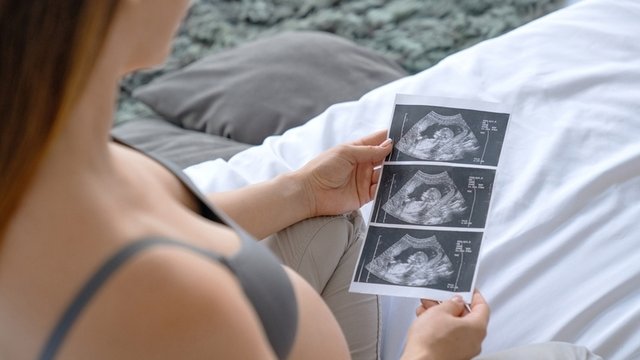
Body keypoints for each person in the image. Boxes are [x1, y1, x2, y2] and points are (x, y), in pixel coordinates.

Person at [0, 1, 602, 359]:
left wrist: (302, 191)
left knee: (328, 225)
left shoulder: (42, 145)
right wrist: (426, 355)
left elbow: (162, 213)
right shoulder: (172, 305)